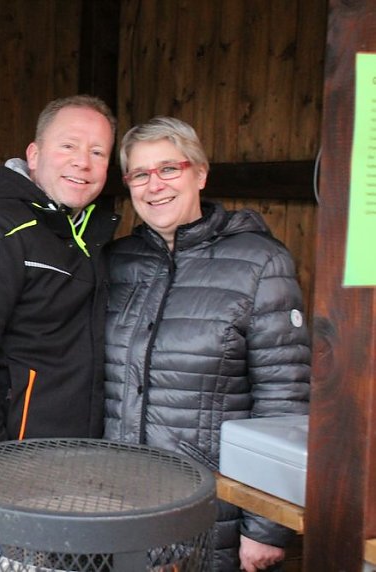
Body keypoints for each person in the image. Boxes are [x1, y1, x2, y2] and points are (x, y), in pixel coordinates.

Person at [104, 116, 311, 571]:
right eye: (140, 174)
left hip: (211, 507)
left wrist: (266, 525)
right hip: (118, 505)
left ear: (200, 173)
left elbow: (285, 400)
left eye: (169, 169)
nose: (154, 185)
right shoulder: (115, 263)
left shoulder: (260, 263)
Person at [0, 94, 120, 479]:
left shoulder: (84, 239)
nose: (83, 161)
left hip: (69, 467)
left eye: (98, 152)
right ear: (34, 154)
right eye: (68, 146)